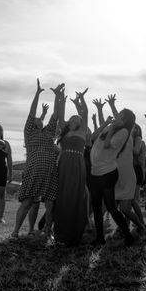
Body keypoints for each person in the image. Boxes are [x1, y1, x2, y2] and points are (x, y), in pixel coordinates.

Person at [11, 79, 62, 241]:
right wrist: (37, 93)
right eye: (34, 119)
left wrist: (58, 96)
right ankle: (15, 231)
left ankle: (48, 231)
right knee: (27, 203)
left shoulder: (49, 132)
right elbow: (32, 111)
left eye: (38, 119)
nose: (36, 119)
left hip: (49, 172)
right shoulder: (29, 132)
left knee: (50, 204)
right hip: (33, 172)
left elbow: (56, 114)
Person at [89, 109, 137, 246]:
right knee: (96, 207)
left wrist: (113, 127)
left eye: (120, 114)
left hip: (108, 173)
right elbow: (93, 137)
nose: (117, 115)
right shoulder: (110, 126)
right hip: (95, 171)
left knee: (110, 207)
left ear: (125, 119)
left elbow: (107, 144)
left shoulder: (123, 132)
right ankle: (100, 238)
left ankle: (128, 236)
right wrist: (106, 124)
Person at [105, 96, 146, 239]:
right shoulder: (121, 132)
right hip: (117, 174)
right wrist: (112, 104)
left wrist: (113, 106)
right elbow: (119, 118)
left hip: (128, 175)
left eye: (121, 116)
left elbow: (120, 119)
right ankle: (124, 230)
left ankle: (141, 227)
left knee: (125, 208)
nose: (118, 118)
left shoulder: (127, 133)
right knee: (113, 207)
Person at [53, 88, 89, 246]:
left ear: (80, 123)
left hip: (77, 164)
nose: (74, 120)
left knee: (75, 195)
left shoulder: (82, 131)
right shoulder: (64, 131)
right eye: (72, 118)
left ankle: (74, 232)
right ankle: (60, 233)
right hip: (64, 163)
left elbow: (85, 112)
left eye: (76, 119)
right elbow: (60, 115)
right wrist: (60, 97)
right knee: (62, 195)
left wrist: (81, 99)